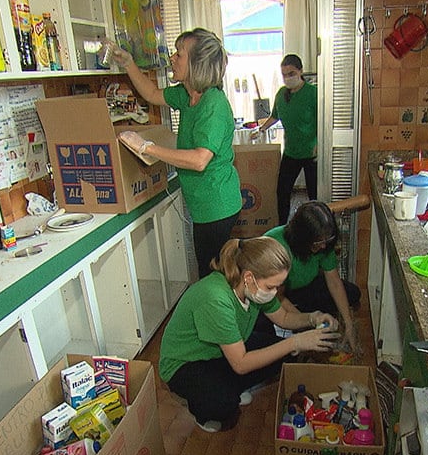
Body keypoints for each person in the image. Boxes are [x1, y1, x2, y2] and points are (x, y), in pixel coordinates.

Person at [158, 237, 341, 433]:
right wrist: (295, 341)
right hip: (184, 362)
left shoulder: (251, 287)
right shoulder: (216, 298)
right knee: (223, 405)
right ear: (248, 277)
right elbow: (241, 363)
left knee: (281, 354)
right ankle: (203, 410)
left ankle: (230, 386)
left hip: (218, 351)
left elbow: (284, 317)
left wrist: (313, 318)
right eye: (271, 286)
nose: (276, 291)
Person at [110, 28, 242, 278]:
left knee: (213, 277)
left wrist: (147, 147)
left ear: (197, 64)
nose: (172, 58)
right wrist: (128, 63)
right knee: (215, 272)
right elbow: (151, 94)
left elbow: (200, 159)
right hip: (205, 204)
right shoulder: (188, 94)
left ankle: (224, 316)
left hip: (217, 206)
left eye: (179, 54)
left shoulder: (213, 104)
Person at [262, 201, 361, 353]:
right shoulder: (276, 245)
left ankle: (305, 315)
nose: (323, 246)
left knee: (352, 293)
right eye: (318, 242)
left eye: (326, 241)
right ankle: (300, 318)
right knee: (272, 340)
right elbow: (277, 297)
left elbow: (334, 282)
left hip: (304, 287)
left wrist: (348, 323)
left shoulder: (325, 245)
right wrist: (306, 323)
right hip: (275, 293)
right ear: (302, 238)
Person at [254, 54, 318, 225]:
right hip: (291, 152)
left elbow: (324, 121)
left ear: (300, 71)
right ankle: (282, 227)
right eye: (284, 75)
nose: (288, 78)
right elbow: (275, 116)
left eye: (291, 73)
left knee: (314, 195)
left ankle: (316, 228)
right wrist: (261, 129)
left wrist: (320, 144)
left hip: (312, 153)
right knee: (282, 192)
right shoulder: (282, 94)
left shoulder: (313, 93)